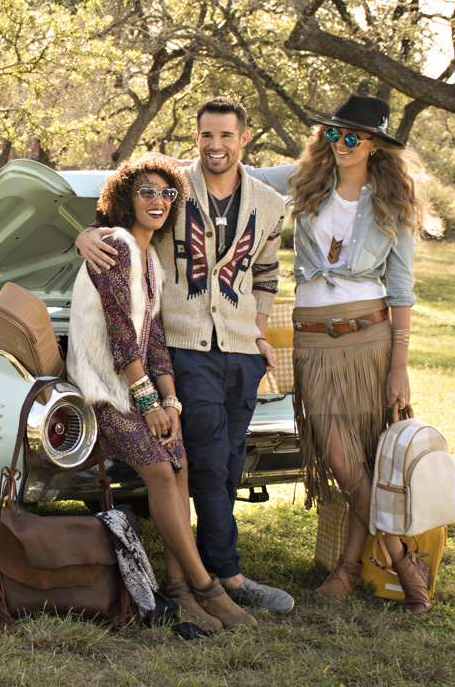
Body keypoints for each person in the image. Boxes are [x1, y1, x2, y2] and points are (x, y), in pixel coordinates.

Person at [76, 97, 294, 614]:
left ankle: (195, 576)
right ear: (195, 138)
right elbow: (119, 216)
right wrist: (85, 235)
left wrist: (259, 331)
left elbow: (267, 272)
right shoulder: (175, 188)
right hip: (185, 347)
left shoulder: (269, 203)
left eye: (226, 136)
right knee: (209, 458)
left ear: (244, 138)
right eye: (206, 136)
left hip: (240, 349)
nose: (215, 146)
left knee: (229, 461)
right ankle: (225, 576)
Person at [245, 94, 441, 613]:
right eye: (334, 133)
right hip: (313, 341)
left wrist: (399, 366)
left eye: (353, 137)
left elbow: (401, 289)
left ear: (374, 144)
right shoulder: (305, 178)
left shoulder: (394, 200)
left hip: (370, 339)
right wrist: (171, 166)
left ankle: (349, 568)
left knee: (366, 457)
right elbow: (241, 173)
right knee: (340, 457)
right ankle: (401, 557)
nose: (341, 144)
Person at [67, 155, 256, 630]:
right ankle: (206, 587)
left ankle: (177, 586)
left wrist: (169, 401)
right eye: (146, 191)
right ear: (125, 198)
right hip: (102, 391)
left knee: (180, 463)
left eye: (167, 193)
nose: (158, 200)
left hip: (135, 387)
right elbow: (120, 331)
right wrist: (149, 402)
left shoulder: (150, 257)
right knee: (160, 471)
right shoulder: (115, 244)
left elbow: (152, 338)